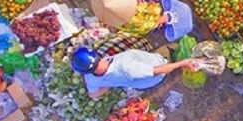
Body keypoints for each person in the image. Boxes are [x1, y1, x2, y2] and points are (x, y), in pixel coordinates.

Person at [72, 46, 200, 97]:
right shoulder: (126, 67)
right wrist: (182, 63)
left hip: (141, 83)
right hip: (156, 69)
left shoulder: (91, 79)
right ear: (96, 55)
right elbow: (158, 70)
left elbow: (93, 94)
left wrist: (108, 83)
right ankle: (174, 55)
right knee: (172, 49)